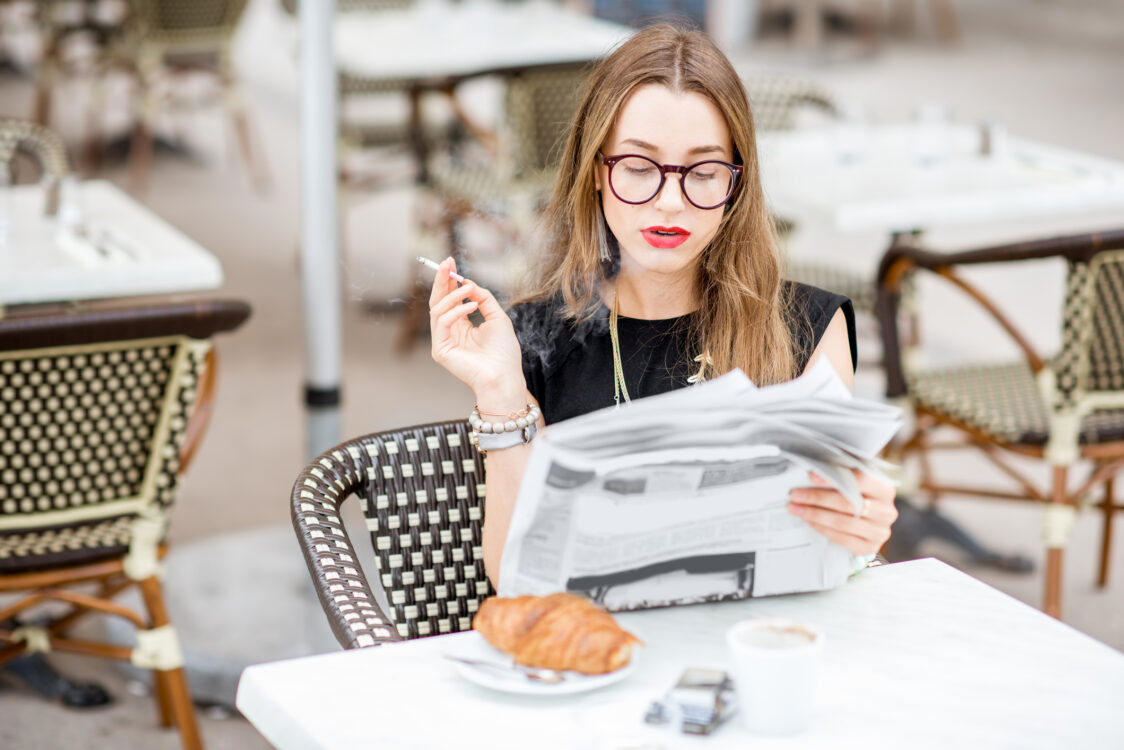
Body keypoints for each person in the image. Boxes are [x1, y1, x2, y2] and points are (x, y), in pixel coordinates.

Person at [427, 24, 896, 583]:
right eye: (639, 167)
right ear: (597, 173)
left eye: (702, 172)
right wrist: (501, 393)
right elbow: (512, 578)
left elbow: (832, 554)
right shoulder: (536, 338)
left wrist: (860, 530)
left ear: (737, 184)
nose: (670, 203)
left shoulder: (806, 330)